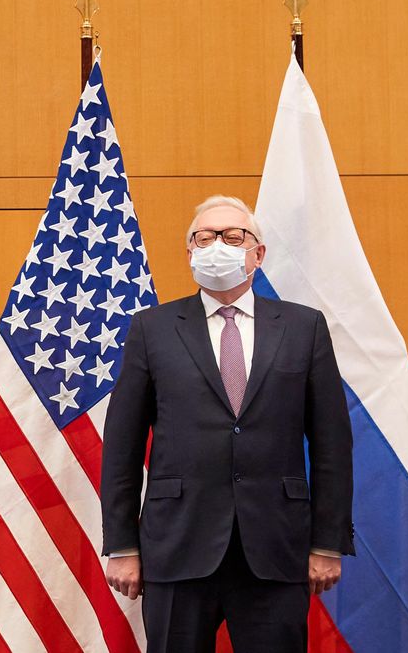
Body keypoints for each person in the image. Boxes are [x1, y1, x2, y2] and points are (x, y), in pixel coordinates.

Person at [100, 195, 353, 653]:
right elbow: (121, 445)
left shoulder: (303, 327)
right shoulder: (152, 328)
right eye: (206, 236)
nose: (218, 244)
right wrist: (121, 546)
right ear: (191, 252)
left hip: (275, 548)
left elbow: (333, 444)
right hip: (177, 545)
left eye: (233, 236)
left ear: (258, 253)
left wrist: (328, 543)